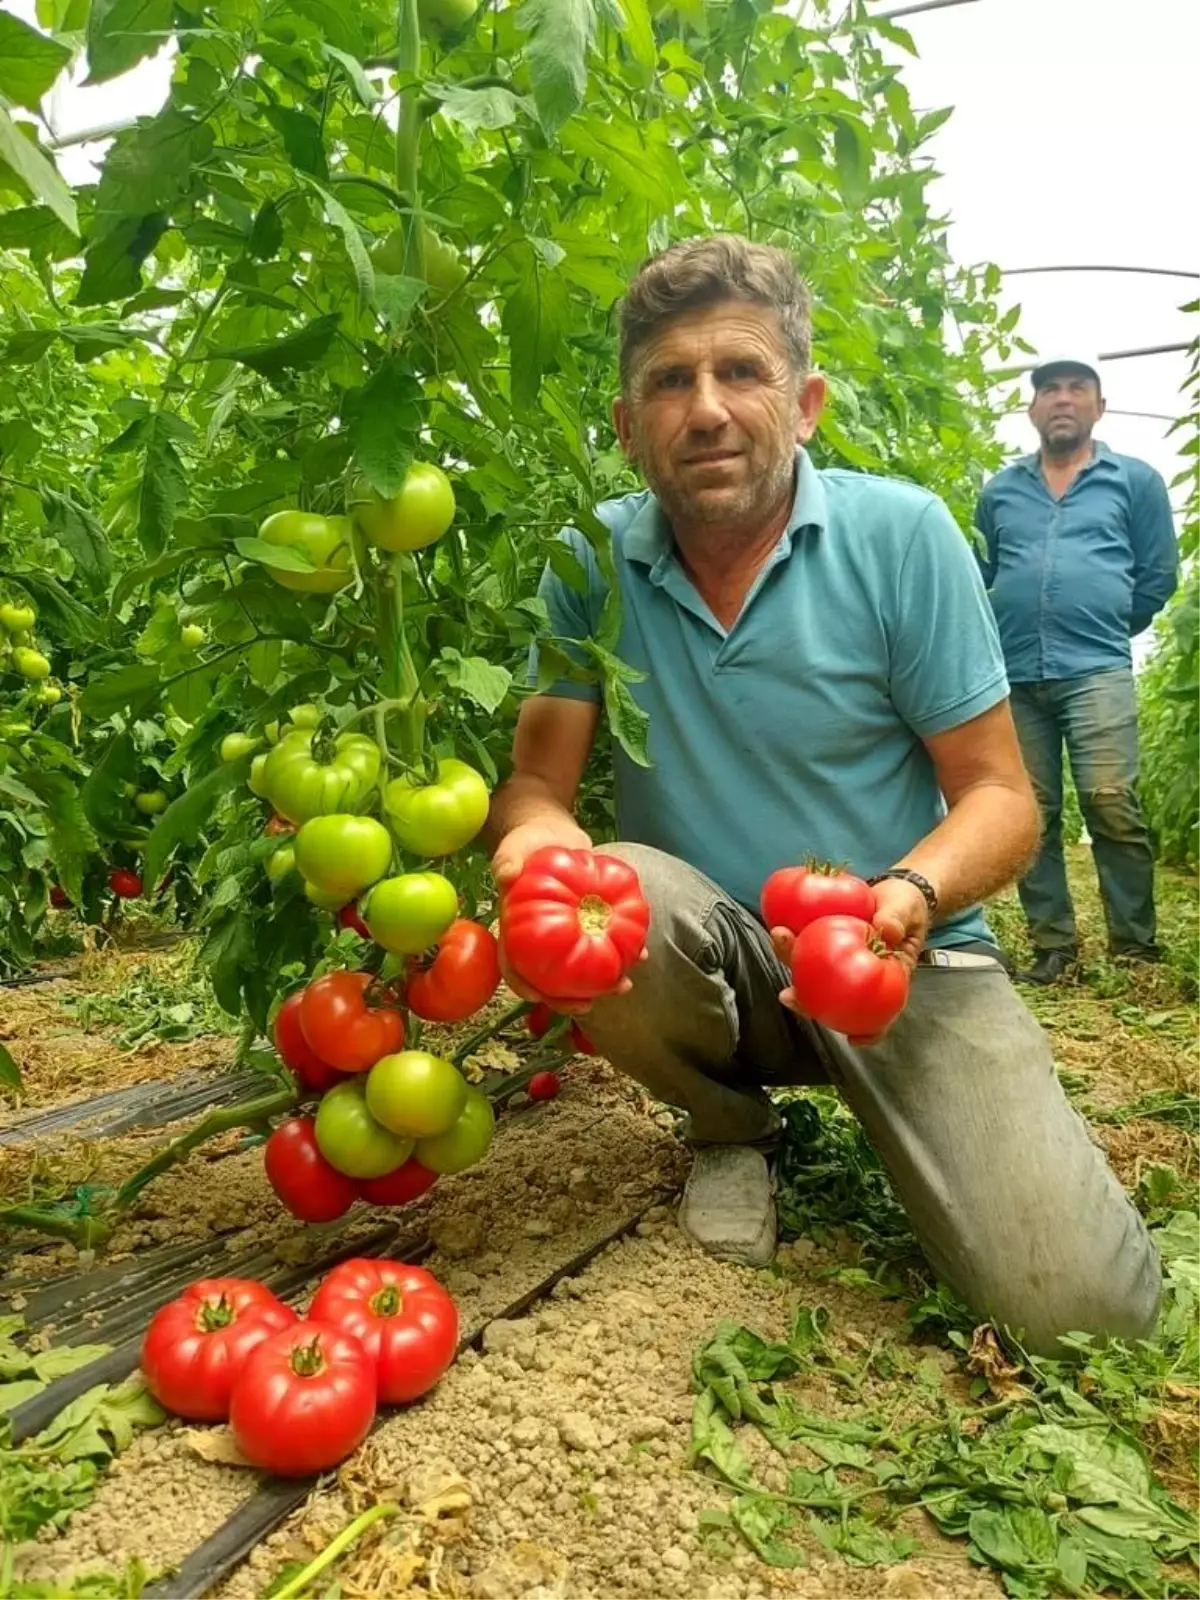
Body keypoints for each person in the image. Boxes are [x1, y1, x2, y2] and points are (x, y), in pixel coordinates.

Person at [486, 235, 1161, 1356]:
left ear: (804, 404)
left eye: (741, 373)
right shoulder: (592, 560)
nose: (706, 409)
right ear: (626, 425)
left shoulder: (902, 536)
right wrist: (537, 847)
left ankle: (922, 1107)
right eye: (670, 381)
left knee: (1083, 1314)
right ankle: (729, 1124)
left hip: (900, 955)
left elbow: (1000, 794)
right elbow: (536, 783)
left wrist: (909, 891)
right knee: (610, 888)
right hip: (719, 961)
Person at [975, 358, 1178, 984]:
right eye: (1048, 390)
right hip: (1015, 673)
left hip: (1096, 667)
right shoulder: (1001, 491)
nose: (1062, 399)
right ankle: (1053, 947)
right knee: (1030, 814)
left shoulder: (1134, 481)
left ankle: (1134, 947)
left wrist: (1109, 621)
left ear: (1098, 406)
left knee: (1110, 800)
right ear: (1032, 410)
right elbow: (985, 575)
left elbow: (1156, 576)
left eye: (1076, 389)